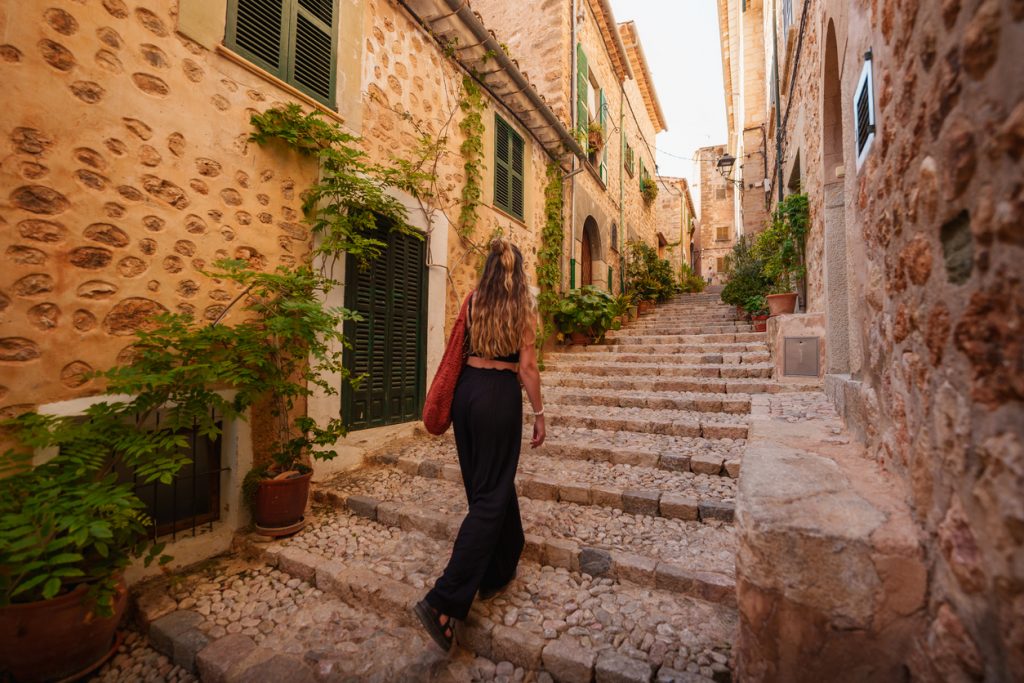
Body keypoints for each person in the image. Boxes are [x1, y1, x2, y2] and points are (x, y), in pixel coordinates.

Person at [413, 238, 546, 652]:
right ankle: (444, 600)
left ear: (488, 268)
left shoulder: (473, 300)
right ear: (518, 270)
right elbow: (526, 368)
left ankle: (498, 565)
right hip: (499, 397)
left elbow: (459, 349)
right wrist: (540, 413)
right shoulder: (524, 305)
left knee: (484, 485)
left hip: (467, 394)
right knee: (491, 495)